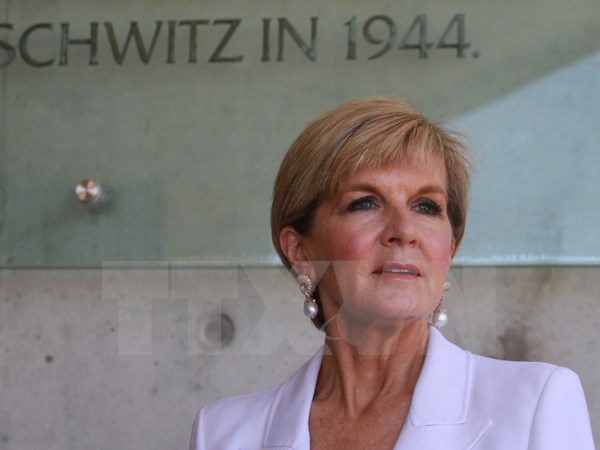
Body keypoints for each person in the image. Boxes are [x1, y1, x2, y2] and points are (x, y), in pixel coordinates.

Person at [189, 97, 595, 449]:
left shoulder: (536, 403)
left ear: (449, 248)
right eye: (365, 203)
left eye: (426, 207)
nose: (404, 230)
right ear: (300, 251)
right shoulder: (222, 433)